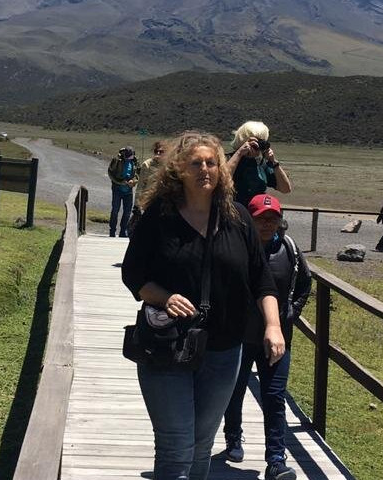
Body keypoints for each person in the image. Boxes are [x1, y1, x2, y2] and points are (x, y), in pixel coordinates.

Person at [122, 131, 286, 480]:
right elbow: (133, 275)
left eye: (211, 162)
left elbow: (262, 279)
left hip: (225, 349)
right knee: (176, 446)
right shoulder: (159, 218)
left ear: (221, 170)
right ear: (179, 169)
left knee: (200, 446)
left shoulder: (239, 218)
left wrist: (273, 325)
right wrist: (164, 297)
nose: (205, 169)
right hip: (168, 345)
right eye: (196, 163)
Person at [222, 194, 311, 480]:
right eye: (261, 218)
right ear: (249, 219)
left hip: (277, 339)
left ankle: (276, 460)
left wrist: (291, 313)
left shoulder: (289, 248)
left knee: (274, 397)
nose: (267, 224)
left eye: (273, 219)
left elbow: (305, 284)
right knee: (233, 392)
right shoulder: (237, 247)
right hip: (239, 336)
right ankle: (233, 436)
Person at [226, 121, 293, 206]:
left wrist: (274, 162)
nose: (257, 146)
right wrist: (239, 153)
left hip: (257, 215)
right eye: (255, 141)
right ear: (243, 140)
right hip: (233, 212)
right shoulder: (228, 159)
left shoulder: (262, 164)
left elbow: (285, 189)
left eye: (261, 142)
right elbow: (221, 180)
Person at [128, 140, 167, 236]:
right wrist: (137, 205)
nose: (158, 154)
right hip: (148, 200)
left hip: (165, 200)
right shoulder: (147, 164)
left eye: (161, 152)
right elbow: (141, 185)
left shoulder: (169, 165)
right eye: (156, 151)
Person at [108, 145, 139, 237]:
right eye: (127, 156)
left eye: (131, 156)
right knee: (115, 210)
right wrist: (120, 182)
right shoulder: (117, 160)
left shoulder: (134, 162)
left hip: (128, 191)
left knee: (127, 212)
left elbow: (137, 174)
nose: (129, 157)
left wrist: (133, 181)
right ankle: (112, 231)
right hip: (117, 189)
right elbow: (110, 172)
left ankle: (123, 231)